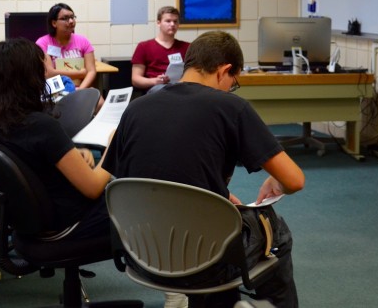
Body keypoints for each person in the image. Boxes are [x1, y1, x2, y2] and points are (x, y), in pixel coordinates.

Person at [103, 31, 305, 308]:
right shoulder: (231, 108)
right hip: (205, 262)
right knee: (276, 232)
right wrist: (276, 181)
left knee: (220, 223)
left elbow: (144, 180)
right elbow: (294, 181)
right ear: (225, 71)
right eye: (233, 83)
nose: (231, 90)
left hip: (142, 255)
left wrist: (221, 197)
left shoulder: (136, 109)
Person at [0, 38, 113, 241]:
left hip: (29, 222)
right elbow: (93, 188)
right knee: (135, 199)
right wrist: (113, 147)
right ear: (31, 76)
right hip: (69, 222)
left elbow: (31, 158)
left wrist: (70, 155)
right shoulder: (40, 125)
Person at [36, 3, 97, 89]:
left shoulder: (83, 41)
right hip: (56, 91)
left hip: (80, 88)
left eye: (72, 17)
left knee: (100, 101)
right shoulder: (43, 43)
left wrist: (79, 90)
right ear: (54, 23)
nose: (71, 21)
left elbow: (91, 71)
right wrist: (80, 73)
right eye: (65, 18)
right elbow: (49, 73)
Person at [131, 6, 190, 93]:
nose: (172, 24)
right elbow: (135, 79)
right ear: (159, 23)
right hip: (156, 88)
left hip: (180, 86)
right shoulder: (144, 46)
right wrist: (155, 81)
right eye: (168, 21)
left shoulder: (187, 47)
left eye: (175, 21)